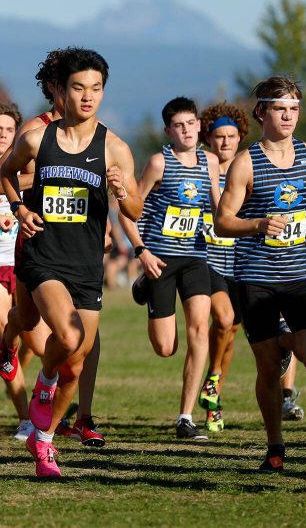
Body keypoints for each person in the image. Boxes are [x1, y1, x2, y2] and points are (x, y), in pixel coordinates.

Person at [0, 48, 142, 478]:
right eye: (78, 88)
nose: (87, 97)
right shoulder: (36, 139)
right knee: (67, 334)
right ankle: (43, 380)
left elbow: (134, 209)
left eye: (96, 89)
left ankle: (42, 441)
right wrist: (19, 208)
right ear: (60, 91)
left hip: (86, 264)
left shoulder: (115, 147)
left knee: (76, 362)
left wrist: (120, 191)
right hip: (44, 256)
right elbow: (5, 174)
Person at [215, 76, 306, 472]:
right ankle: (275, 446)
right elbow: (222, 222)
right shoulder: (246, 162)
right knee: (267, 368)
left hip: (301, 276)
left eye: (294, 109)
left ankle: (287, 339)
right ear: (262, 112)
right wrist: (258, 224)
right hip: (256, 279)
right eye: (280, 109)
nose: (288, 116)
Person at [121, 97, 220, 440]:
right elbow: (128, 210)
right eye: (179, 125)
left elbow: (220, 210)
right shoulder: (158, 163)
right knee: (165, 348)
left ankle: (185, 417)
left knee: (199, 331)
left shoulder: (210, 162)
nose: (187, 130)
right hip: (159, 259)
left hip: (196, 256)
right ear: (169, 130)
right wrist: (141, 251)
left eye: (191, 123)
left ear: (198, 125)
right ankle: (144, 285)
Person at [0, 101, 34, 440]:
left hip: (28, 263)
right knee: (4, 326)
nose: (2, 134)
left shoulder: (29, 167)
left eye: (9, 129)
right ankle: (26, 417)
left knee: (39, 342)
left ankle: (37, 389)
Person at [195, 102, 249, 432]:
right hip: (207, 257)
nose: (225, 143)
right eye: (218, 136)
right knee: (223, 319)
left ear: (240, 137)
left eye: (231, 136)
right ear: (208, 138)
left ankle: (213, 397)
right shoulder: (199, 168)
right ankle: (212, 378)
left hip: (241, 262)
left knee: (230, 334)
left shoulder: (249, 169)